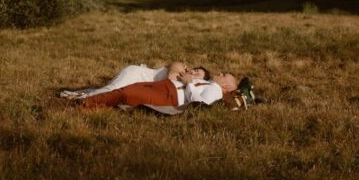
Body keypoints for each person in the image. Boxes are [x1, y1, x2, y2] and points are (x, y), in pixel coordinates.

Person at [76, 71, 239, 114]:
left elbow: (199, 105)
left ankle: (84, 103)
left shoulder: (215, 91)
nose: (220, 73)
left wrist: (189, 83)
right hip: (166, 86)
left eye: (224, 75)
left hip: (170, 95)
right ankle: (91, 104)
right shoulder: (209, 83)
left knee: (128, 94)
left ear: (225, 86)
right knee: (131, 88)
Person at [59, 61, 210, 100]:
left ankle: (80, 92)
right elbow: (168, 80)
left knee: (110, 89)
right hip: (136, 74)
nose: (194, 73)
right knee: (112, 90)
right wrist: (187, 80)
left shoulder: (188, 84)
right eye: (196, 70)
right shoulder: (179, 67)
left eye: (198, 75)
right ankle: (77, 97)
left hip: (139, 84)